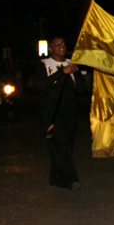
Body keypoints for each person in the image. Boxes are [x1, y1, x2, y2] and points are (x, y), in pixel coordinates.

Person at [34, 37, 86, 191]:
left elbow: (82, 89)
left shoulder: (71, 62)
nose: (61, 46)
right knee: (60, 143)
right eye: (56, 44)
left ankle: (55, 177)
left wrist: (75, 72)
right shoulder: (44, 64)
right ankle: (71, 179)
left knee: (66, 145)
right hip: (51, 111)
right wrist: (61, 72)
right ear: (51, 48)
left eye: (63, 43)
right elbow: (40, 85)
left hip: (69, 110)